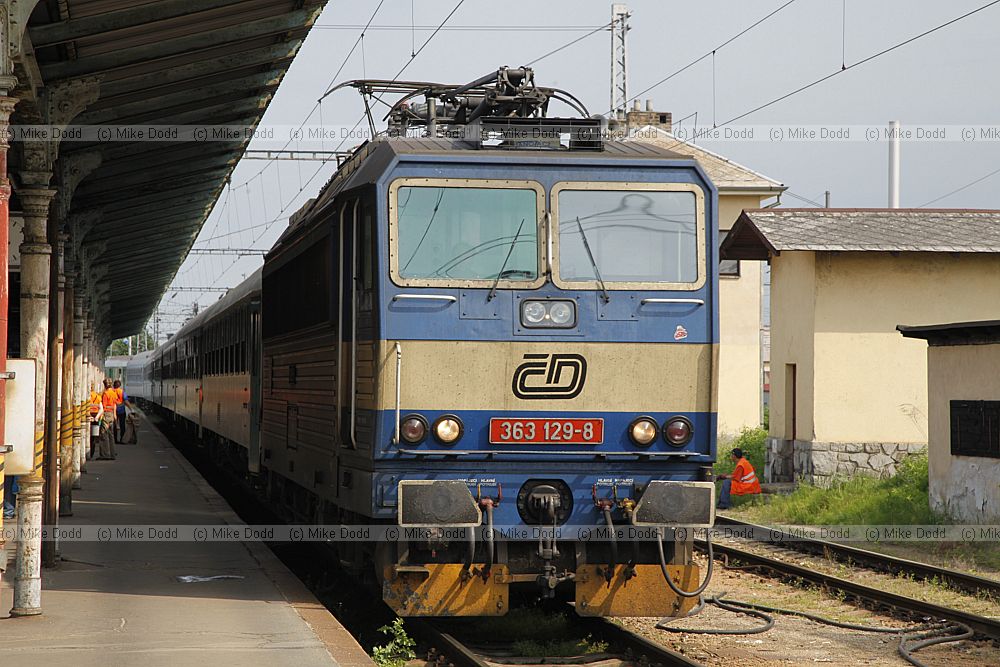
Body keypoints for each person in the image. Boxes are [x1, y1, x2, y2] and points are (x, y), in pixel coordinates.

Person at [98, 379, 118, 460]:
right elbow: (115, 405)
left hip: (106, 414)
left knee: (103, 434)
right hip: (111, 415)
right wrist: (115, 415)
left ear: (105, 385)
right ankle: (112, 454)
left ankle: (105, 454)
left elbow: (103, 406)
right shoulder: (113, 393)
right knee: (111, 435)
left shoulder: (106, 394)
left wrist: (100, 416)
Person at [88, 382, 104, 460]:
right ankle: (91, 453)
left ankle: (87, 453)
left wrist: (89, 416)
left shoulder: (86, 396)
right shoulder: (97, 396)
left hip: (87, 417)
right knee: (93, 437)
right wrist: (97, 417)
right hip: (95, 418)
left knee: (87, 435)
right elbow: (101, 409)